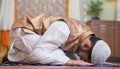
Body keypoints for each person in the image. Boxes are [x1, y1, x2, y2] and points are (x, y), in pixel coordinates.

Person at [7, 13, 111, 65]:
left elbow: (76, 56)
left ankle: (21, 56)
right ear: (86, 45)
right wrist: (71, 62)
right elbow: (36, 54)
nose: (82, 59)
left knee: (69, 58)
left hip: (35, 36)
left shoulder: (86, 34)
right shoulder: (63, 29)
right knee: (60, 56)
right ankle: (20, 54)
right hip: (23, 31)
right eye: (84, 58)